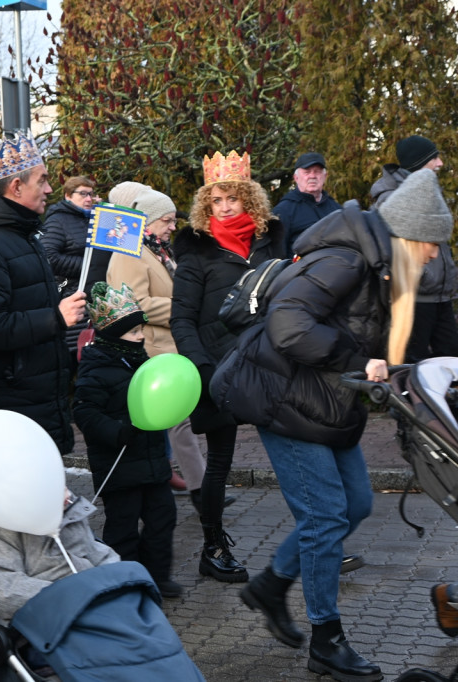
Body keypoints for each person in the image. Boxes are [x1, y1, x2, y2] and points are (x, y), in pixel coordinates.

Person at [213, 168, 452, 681]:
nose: (435, 255)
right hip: (284, 398)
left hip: (324, 404)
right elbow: (287, 325)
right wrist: (353, 358)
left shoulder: (383, 269)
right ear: (410, 235)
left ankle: (271, 585)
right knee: (324, 518)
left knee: (357, 504)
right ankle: (327, 639)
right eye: (432, 244)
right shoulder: (346, 259)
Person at [170, 150, 285, 584]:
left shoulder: (269, 243)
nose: (224, 207)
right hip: (218, 369)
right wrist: (201, 367)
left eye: (232, 198)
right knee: (219, 461)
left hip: (269, 364)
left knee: (296, 447)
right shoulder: (197, 253)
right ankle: (213, 547)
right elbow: (180, 317)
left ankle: (320, 536)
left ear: (249, 198)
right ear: (206, 204)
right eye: (216, 200)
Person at [0, 132, 87, 454]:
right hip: (14, 400)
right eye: (42, 181)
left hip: (37, 394)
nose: (49, 189)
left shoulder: (22, 232)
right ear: (16, 187)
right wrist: (56, 318)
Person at [106, 188, 216, 512]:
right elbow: (131, 304)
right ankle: (201, 489)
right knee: (180, 419)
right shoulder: (130, 253)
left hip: (170, 346)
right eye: (166, 220)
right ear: (147, 222)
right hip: (153, 350)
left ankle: (196, 486)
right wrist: (182, 308)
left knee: (183, 419)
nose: (172, 226)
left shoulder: (157, 251)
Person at [73, 281, 179, 597]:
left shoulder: (141, 361)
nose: (141, 337)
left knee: (163, 520)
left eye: (140, 332)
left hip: (152, 460)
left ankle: (157, 576)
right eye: (134, 333)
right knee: (123, 529)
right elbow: (85, 413)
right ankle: (127, 585)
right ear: (115, 334)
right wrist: (117, 432)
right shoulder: (96, 368)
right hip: (118, 463)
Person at [0, 487, 120, 623]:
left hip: (98, 601)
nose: (67, 495)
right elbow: (5, 590)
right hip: (52, 620)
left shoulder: (66, 502)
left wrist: (118, 581)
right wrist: (78, 595)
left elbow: (95, 551)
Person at [371, 135, 458, 362]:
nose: (439, 163)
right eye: (434, 158)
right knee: (411, 367)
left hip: (440, 297)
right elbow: (392, 251)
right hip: (414, 298)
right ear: (418, 163)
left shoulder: (425, 192)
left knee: (450, 362)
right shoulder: (393, 201)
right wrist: (422, 276)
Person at [40, 175, 101, 363]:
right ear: (68, 196)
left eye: (91, 194)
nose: (88, 198)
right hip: (73, 298)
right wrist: (87, 266)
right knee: (77, 356)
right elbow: (48, 257)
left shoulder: (94, 218)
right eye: (82, 194)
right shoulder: (58, 220)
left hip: (95, 299)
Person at [275, 152, 341, 253]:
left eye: (317, 172)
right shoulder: (284, 211)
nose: (312, 176)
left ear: (325, 176)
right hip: (300, 267)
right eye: (307, 172)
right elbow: (277, 254)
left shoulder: (336, 209)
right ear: (296, 178)